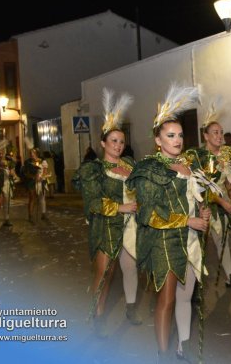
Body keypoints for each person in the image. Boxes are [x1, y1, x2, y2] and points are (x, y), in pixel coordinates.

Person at [128, 83, 210, 361]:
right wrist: (188, 220)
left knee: (187, 297)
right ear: (158, 140)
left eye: (180, 135)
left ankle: (182, 345)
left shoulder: (188, 165)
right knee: (167, 300)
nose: (177, 140)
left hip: (189, 240)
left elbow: (196, 197)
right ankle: (163, 354)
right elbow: (149, 214)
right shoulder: (150, 169)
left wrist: (203, 211)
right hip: (164, 243)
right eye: (170, 135)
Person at [72, 89, 141, 338]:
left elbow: (142, 190)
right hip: (106, 227)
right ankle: (97, 317)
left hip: (131, 226)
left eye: (121, 142)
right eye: (113, 141)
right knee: (105, 275)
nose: (119, 145)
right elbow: (92, 202)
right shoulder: (94, 170)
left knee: (131, 267)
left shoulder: (130, 165)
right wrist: (120, 207)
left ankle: (131, 308)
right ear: (103, 143)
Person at [194, 118, 231, 291]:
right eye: (215, 132)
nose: (220, 136)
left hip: (222, 203)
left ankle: (230, 277)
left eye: (221, 132)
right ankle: (194, 284)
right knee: (198, 245)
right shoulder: (200, 157)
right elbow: (201, 188)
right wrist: (223, 202)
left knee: (222, 240)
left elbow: (227, 180)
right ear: (206, 136)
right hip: (202, 205)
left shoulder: (225, 154)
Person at [23, 148, 48, 223]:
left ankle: (43, 213)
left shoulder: (42, 161)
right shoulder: (28, 162)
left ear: (37, 153)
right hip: (31, 181)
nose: (31, 154)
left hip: (41, 181)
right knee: (32, 197)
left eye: (33, 153)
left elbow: (45, 171)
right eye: (30, 153)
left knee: (42, 197)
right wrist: (33, 177)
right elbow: (26, 173)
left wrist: (41, 177)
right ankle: (30, 215)